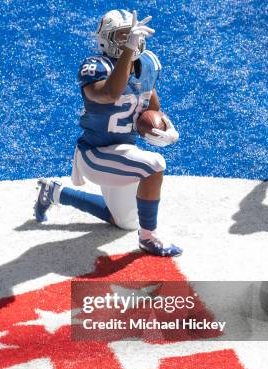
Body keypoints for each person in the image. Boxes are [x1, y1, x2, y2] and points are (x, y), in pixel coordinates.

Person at [34, 9, 182, 256]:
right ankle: (148, 238)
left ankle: (55, 192)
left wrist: (165, 128)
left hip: (122, 151)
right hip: (95, 153)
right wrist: (127, 53)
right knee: (155, 165)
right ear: (106, 39)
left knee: (124, 222)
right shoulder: (95, 67)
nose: (131, 41)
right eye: (123, 36)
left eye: (132, 36)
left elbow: (151, 109)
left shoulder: (147, 64)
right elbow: (110, 93)